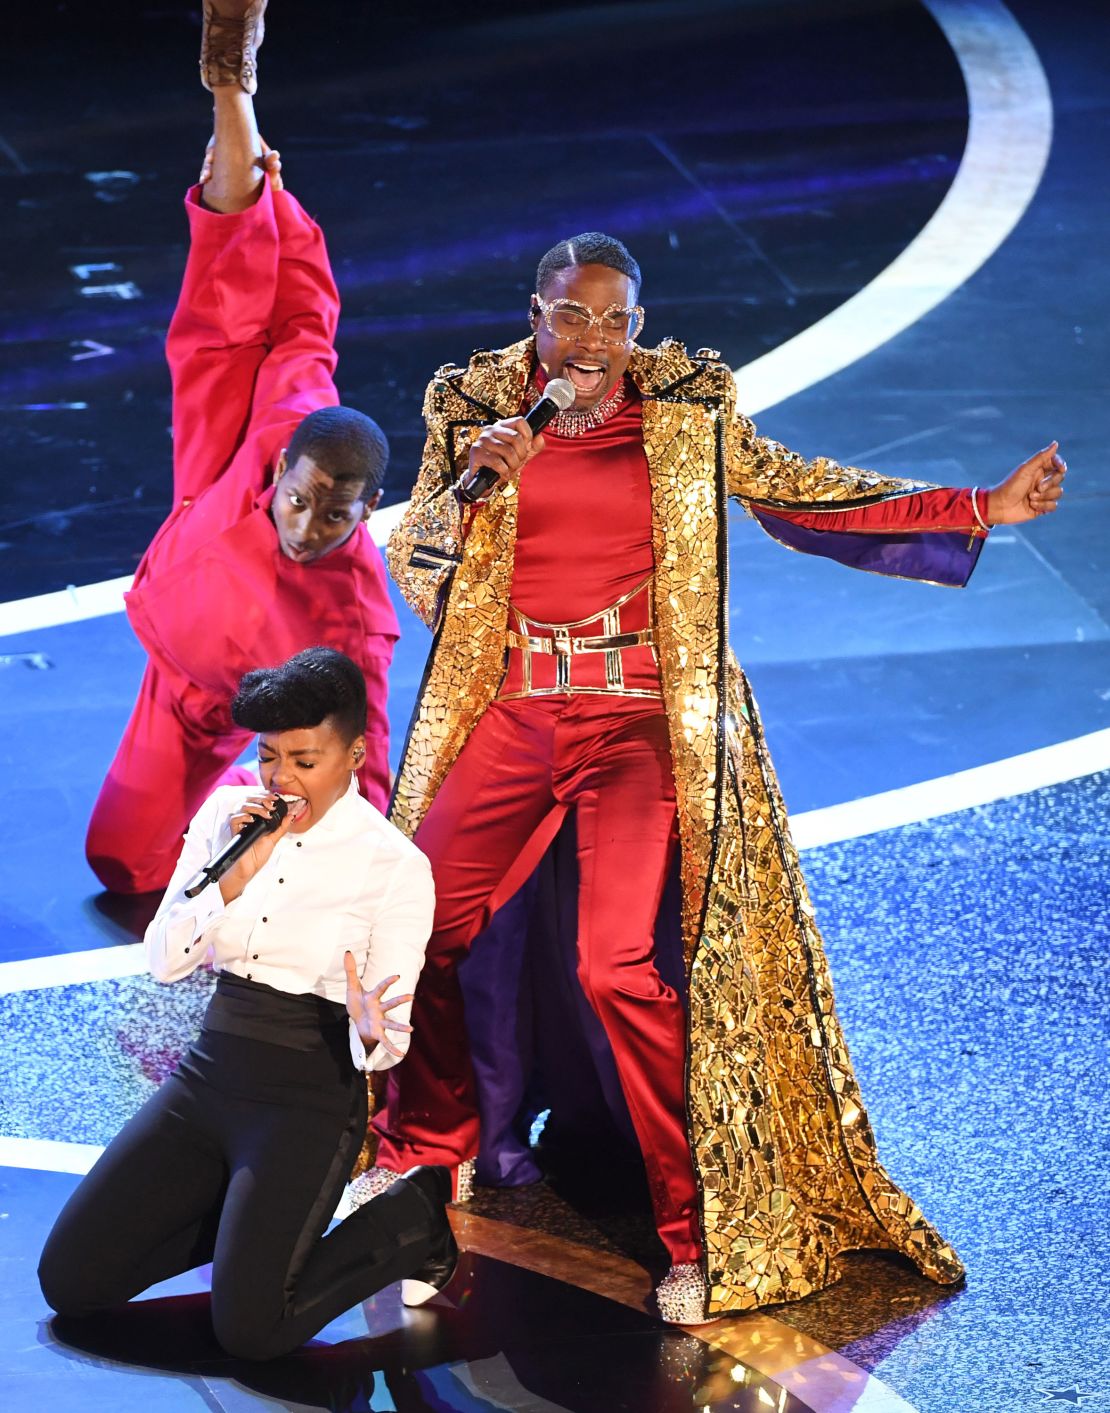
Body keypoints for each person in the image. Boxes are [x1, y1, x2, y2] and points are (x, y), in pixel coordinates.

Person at [355, 233, 1067, 1323]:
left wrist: (977, 508)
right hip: (517, 706)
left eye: (616, 320)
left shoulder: (684, 412)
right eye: (572, 316)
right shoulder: (474, 406)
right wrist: (473, 488)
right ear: (535, 313)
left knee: (615, 967)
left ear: (636, 324)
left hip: (640, 715)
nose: (594, 341)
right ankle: (423, 1157)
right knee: (416, 929)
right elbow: (422, 566)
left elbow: (801, 490)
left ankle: (698, 1232)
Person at [40, 647, 452, 1360]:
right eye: (269, 756)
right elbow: (166, 960)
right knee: (70, 1278)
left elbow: (388, 1041)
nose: (281, 778)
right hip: (210, 1074)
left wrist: (366, 1029)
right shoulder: (230, 816)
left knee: (252, 1331)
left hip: (308, 1093)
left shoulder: (394, 867)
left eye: (304, 759)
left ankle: (413, 1221)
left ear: (354, 753)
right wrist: (230, 879)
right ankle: (247, 1228)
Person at [86, 0, 399, 896]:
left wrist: (356, 884)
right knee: (229, 289)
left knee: (150, 868)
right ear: (283, 477)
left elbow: (364, 750)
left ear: (364, 511)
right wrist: (274, 201)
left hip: (242, 710)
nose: (306, 525)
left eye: (332, 514)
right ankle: (232, 85)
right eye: (300, 501)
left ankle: (243, 783)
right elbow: (306, 319)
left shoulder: (356, 615)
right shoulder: (284, 434)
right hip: (192, 575)